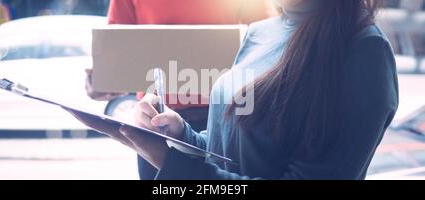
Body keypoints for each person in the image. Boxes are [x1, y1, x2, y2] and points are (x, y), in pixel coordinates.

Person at [75, 0, 399, 180]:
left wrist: (169, 160)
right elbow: (227, 149)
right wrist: (179, 135)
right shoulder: (261, 32)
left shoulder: (364, 52)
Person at [85, 0, 276, 180]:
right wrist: (101, 80)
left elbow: (268, 43)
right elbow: (116, 53)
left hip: (222, 117)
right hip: (155, 121)